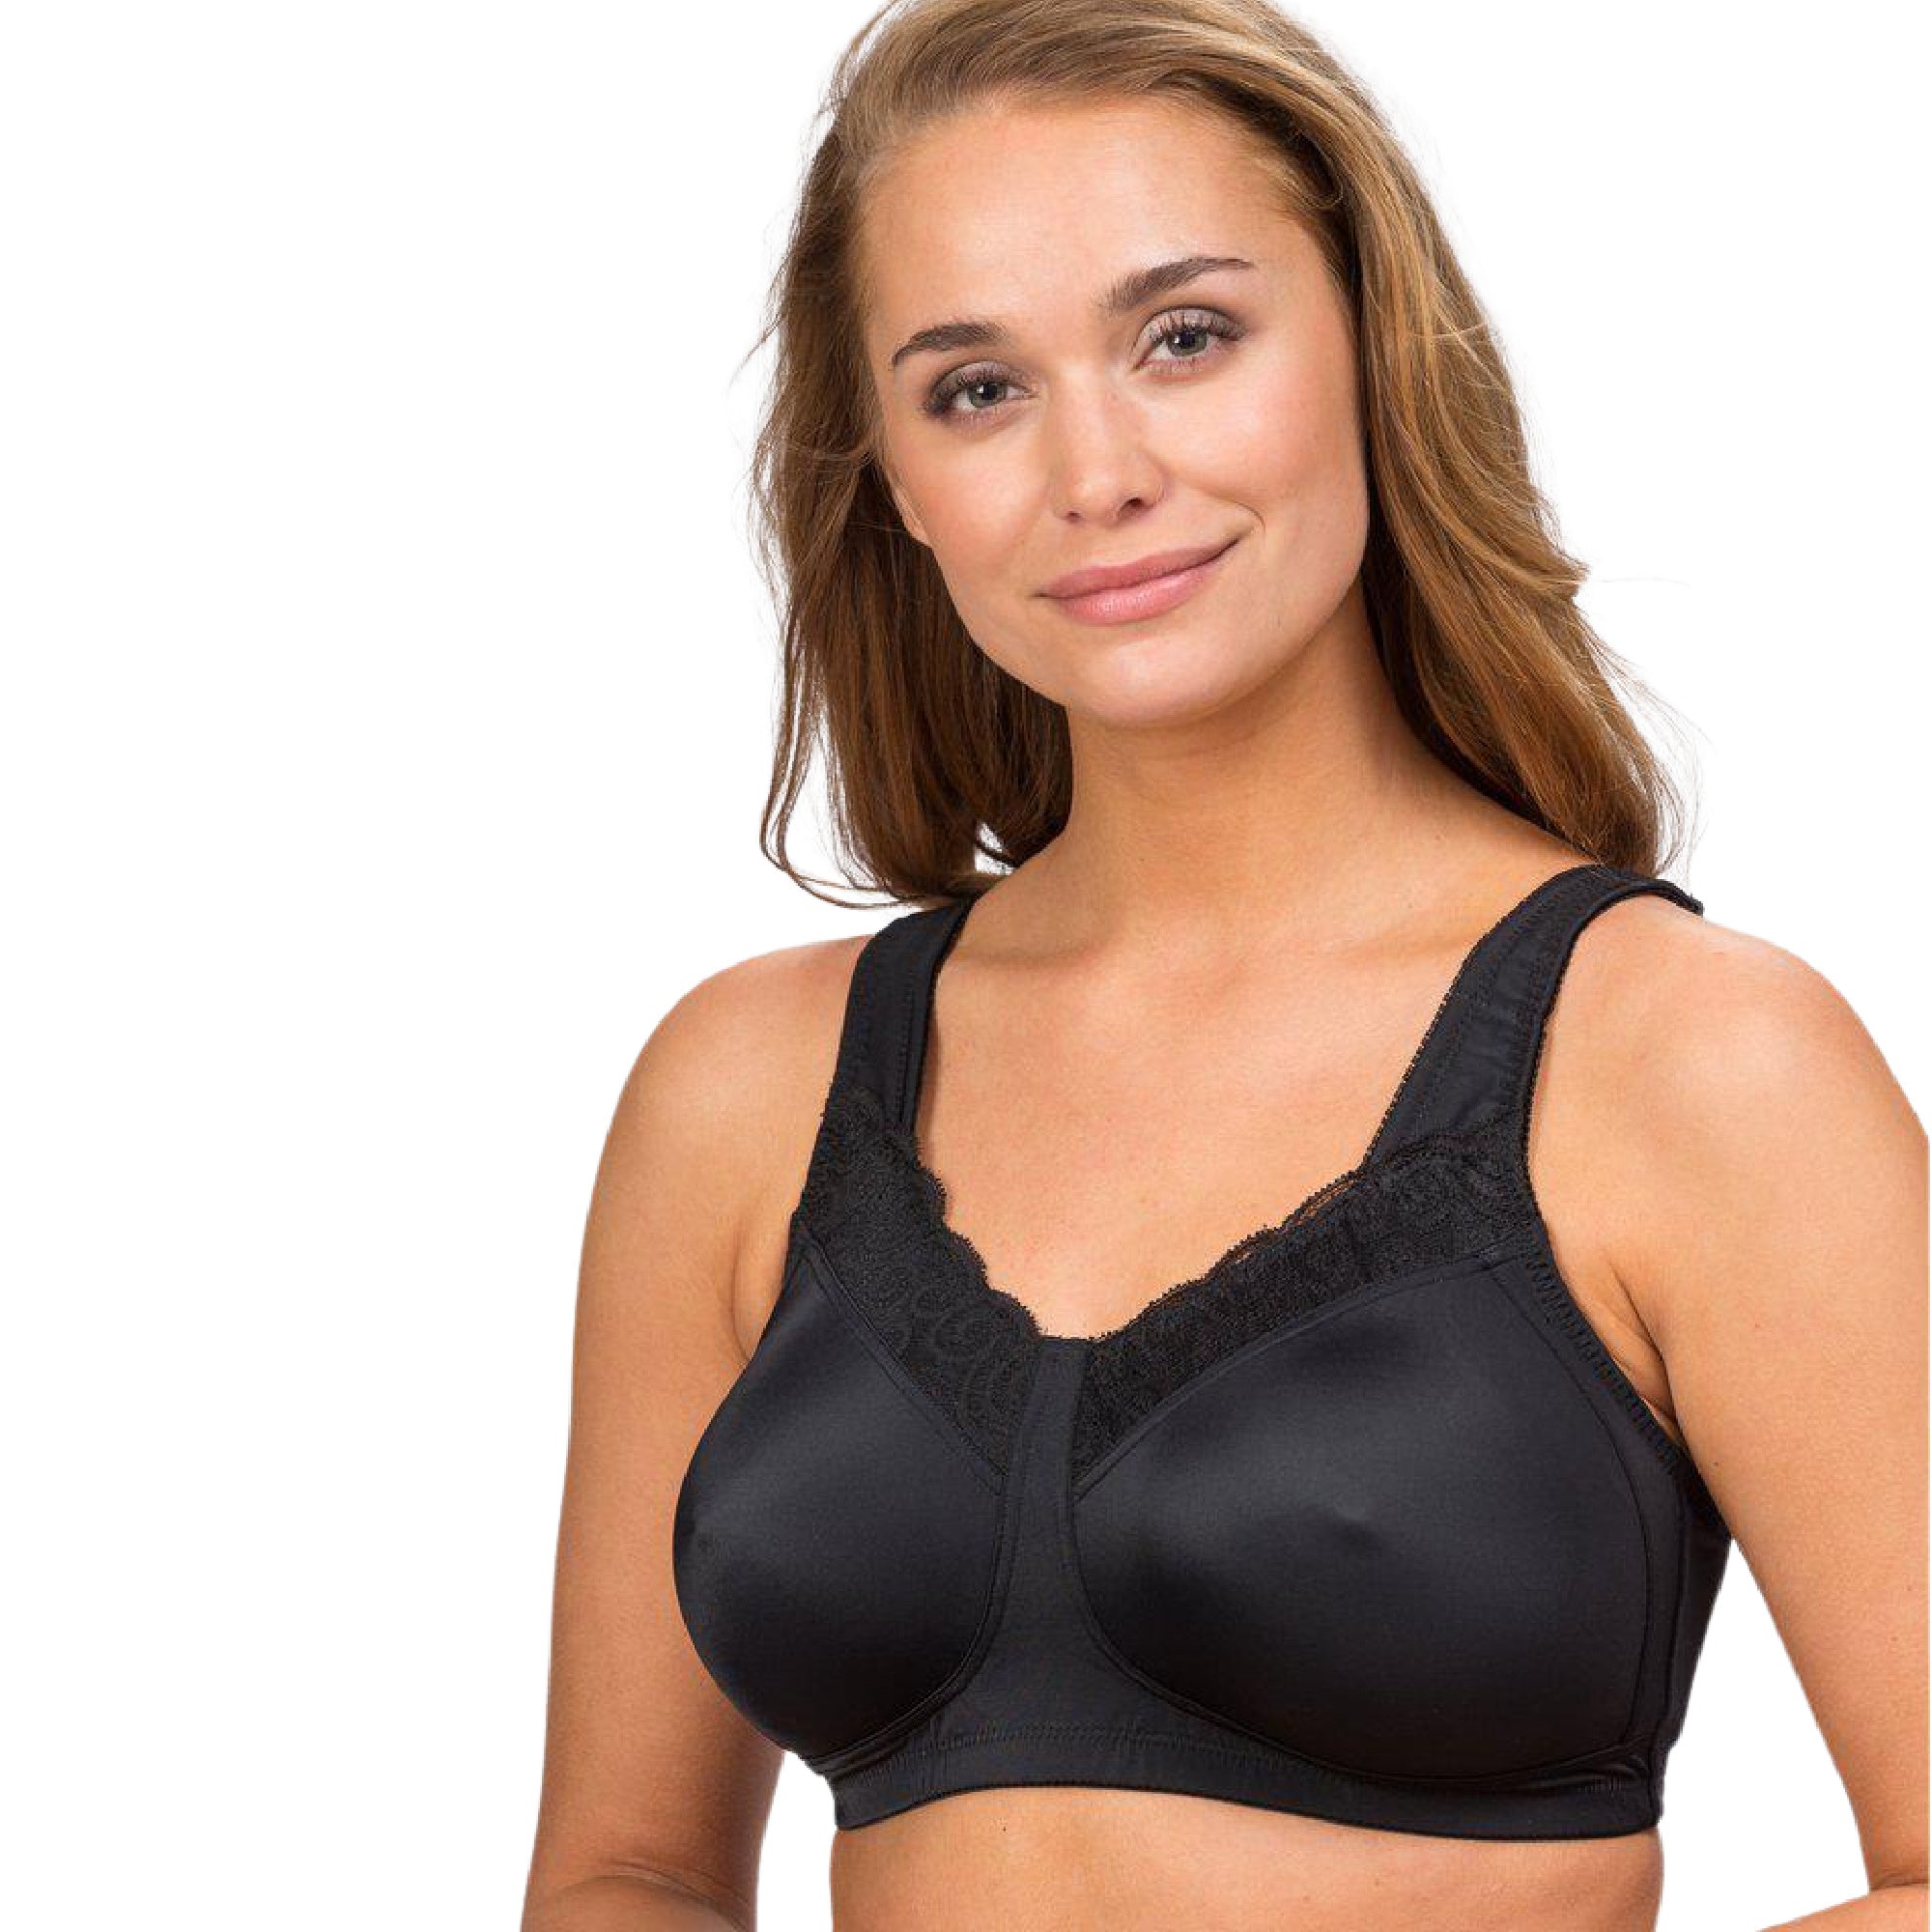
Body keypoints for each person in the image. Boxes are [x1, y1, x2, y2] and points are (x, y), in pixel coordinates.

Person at [520, 2, 1928, 1926]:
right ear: (895, 482)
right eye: (974, 389)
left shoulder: (1689, 1060)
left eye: (1184, 337)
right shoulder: (744, 1086)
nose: (1095, 470)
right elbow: (625, 1874)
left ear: (1373, 351)